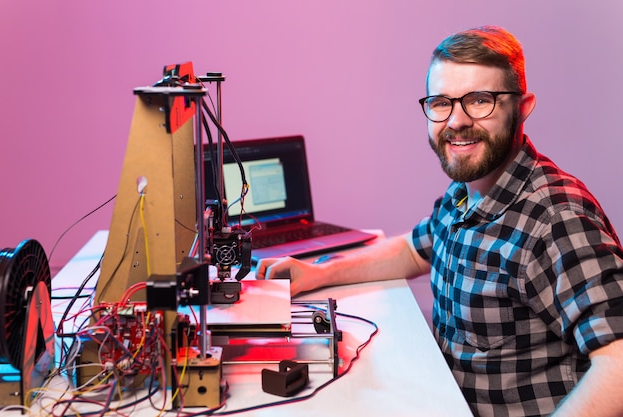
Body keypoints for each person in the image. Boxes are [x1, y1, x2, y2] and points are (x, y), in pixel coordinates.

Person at [256, 26, 623, 417]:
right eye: (441, 102)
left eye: (480, 100)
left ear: (523, 105)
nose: (456, 121)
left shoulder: (556, 218)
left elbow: (618, 363)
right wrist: (316, 273)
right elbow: (414, 250)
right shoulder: (468, 188)